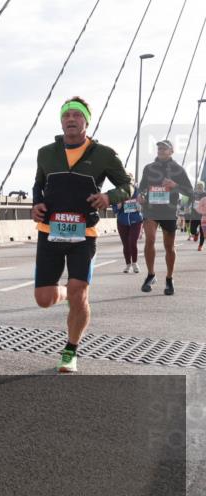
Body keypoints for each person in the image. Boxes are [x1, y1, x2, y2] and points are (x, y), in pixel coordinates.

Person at [31, 97, 131, 374]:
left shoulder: (104, 154)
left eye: (77, 115)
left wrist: (109, 196)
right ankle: (67, 292)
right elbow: (38, 185)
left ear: (87, 121)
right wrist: (35, 204)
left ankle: (70, 350)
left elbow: (127, 185)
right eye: (67, 115)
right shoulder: (46, 153)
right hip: (49, 233)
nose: (71, 119)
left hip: (83, 234)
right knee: (44, 299)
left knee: (80, 293)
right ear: (61, 121)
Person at [137, 140, 194, 295]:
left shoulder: (178, 169)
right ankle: (151, 275)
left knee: (169, 246)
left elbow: (190, 192)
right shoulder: (149, 168)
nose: (161, 150)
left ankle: (169, 278)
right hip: (151, 209)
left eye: (164, 148)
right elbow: (141, 188)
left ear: (171, 151)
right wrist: (140, 196)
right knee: (150, 239)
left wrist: (175, 185)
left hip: (168, 212)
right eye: (159, 148)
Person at [111, 173, 142, 273]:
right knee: (126, 244)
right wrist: (120, 203)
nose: (128, 182)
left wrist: (139, 204)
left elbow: (143, 207)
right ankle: (128, 264)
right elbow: (115, 210)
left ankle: (135, 263)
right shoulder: (118, 192)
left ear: (133, 181)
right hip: (122, 221)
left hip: (136, 220)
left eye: (130, 180)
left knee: (132, 242)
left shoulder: (138, 191)